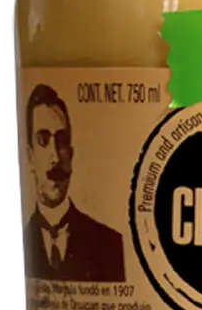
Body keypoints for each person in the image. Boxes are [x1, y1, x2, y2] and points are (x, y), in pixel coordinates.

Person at [22, 83, 125, 281]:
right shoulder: (17, 243)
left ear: (70, 153)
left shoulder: (109, 243)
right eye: (43, 140)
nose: (55, 157)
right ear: (30, 156)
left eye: (61, 140)